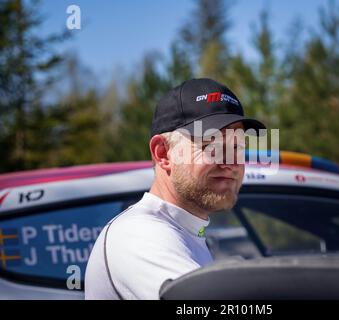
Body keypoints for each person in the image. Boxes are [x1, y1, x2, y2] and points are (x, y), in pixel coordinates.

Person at [85, 78, 265, 299]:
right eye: (211, 145)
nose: (230, 162)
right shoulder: (140, 234)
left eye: (237, 146)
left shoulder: (183, 229)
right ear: (163, 154)